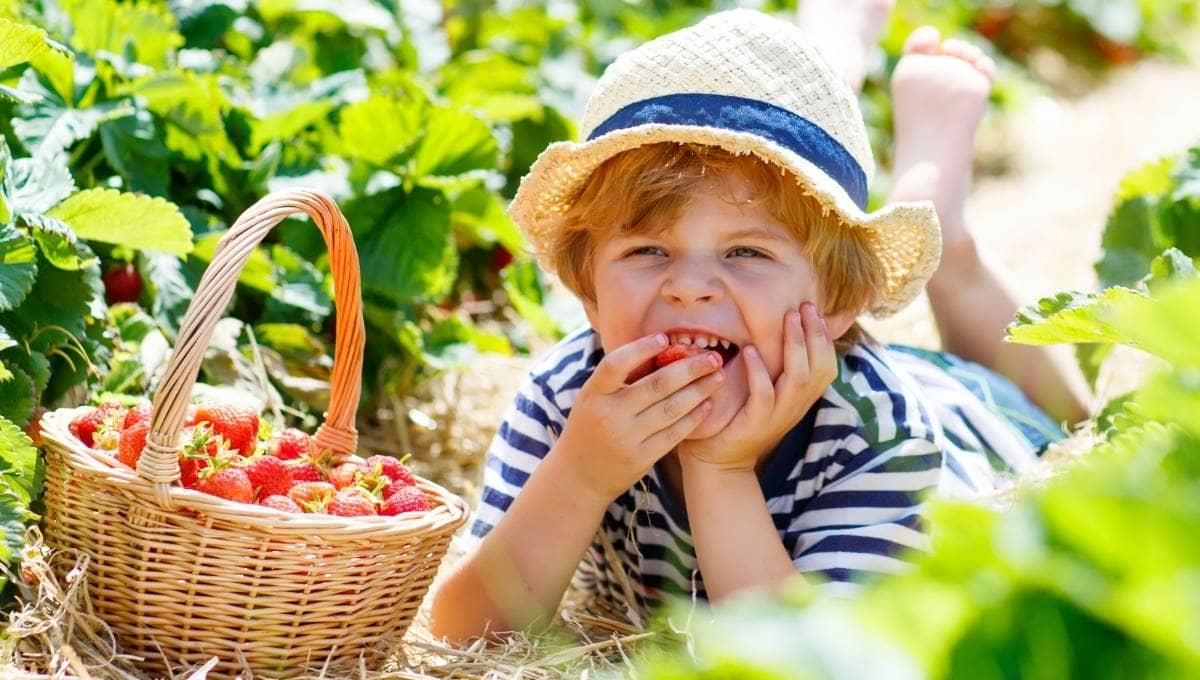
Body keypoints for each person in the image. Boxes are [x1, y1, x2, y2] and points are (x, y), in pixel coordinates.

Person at [429, 5, 1090, 643]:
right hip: (803, 344)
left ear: (838, 302)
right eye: (646, 250)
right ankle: (834, 61)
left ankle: (944, 230)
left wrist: (721, 471)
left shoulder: (876, 429)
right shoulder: (568, 398)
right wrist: (579, 474)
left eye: (746, 252)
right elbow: (462, 631)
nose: (689, 288)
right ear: (589, 294)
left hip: (965, 418)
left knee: (1072, 414)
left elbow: (805, 658)